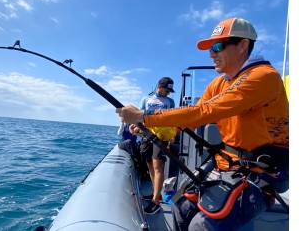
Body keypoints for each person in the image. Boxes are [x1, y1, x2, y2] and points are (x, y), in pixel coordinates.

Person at [116, 17, 289, 230]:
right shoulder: (218, 83)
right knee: (180, 206)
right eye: (210, 49)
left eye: (218, 46)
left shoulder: (264, 77)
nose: (211, 54)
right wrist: (149, 129)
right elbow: (182, 120)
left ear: (243, 45)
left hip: (260, 173)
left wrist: (145, 115)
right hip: (226, 164)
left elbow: (204, 112)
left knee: (202, 226)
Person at [134, 77, 176, 215]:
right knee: (150, 166)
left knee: (158, 166)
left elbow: (173, 119)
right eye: (166, 90)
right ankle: (155, 194)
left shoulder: (170, 102)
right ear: (159, 86)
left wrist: (173, 136)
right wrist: (134, 127)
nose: (168, 93)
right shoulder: (146, 99)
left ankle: (156, 202)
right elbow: (139, 116)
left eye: (170, 91)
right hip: (147, 135)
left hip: (161, 137)